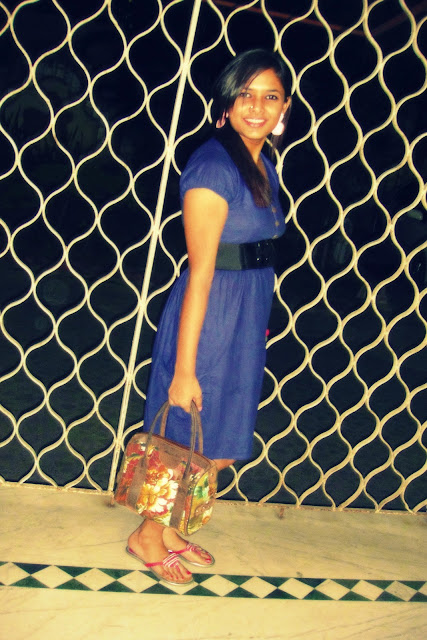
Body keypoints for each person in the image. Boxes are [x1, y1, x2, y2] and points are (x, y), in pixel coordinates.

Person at [126, 49, 292, 585]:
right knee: (185, 441)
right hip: (211, 318)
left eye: (269, 96)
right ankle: (146, 535)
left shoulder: (261, 162)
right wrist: (184, 369)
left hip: (243, 319)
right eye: (246, 94)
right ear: (226, 103)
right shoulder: (213, 167)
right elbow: (201, 274)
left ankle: (173, 529)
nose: (257, 107)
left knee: (220, 441)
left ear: (284, 108)